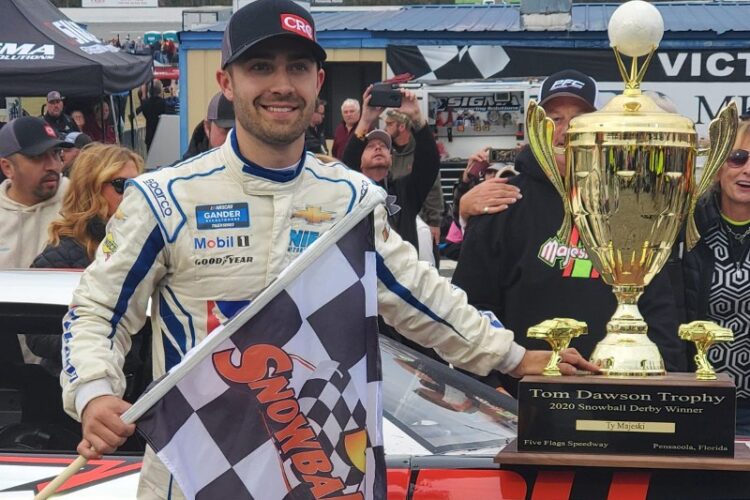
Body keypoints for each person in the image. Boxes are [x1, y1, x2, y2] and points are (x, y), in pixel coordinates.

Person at [60, 3, 596, 498]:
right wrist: (94, 392)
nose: (281, 85)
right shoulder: (165, 196)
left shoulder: (353, 198)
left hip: (314, 473)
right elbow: (97, 310)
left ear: (318, 82)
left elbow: (423, 298)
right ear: (227, 82)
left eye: (297, 68)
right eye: (261, 67)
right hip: (197, 474)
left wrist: (515, 357)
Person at [453, 69, 685, 395]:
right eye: (554, 119)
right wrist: (487, 387)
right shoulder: (502, 202)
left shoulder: (631, 204)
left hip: (620, 401)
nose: (564, 132)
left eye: (578, 119)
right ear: (537, 129)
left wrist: (660, 384)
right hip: (519, 405)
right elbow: (470, 307)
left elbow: (658, 308)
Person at [29, 144, 144, 376]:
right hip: (77, 391)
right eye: (122, 185)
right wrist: (97, 348)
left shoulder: (144, 244)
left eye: (139, 186)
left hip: (140, 389)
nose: (133, 195)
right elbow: (38, 336)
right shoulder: (62, 252)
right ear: (91, 189)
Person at [682, 120, 750, 436]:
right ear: (719, 163)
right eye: (738, 157)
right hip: (696, 399)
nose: (747, 170)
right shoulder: (685, 223)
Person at [342, 87, 439, 253]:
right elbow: (347, 162)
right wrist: (365, 120)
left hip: (401, 272)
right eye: (371, 146)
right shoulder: (355, 190)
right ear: (360, 158)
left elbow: (429, 162)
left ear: (391, 158)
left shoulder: (406, 191)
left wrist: (416, 117)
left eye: (383, 146)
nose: (378, 147)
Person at [0, 116, 72, 269]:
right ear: (7, 167)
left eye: (56, 153)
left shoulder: (80, 201)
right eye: (37, 157)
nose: (52, 165)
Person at [384, 109, 445, 246]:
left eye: (389, 124)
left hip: (420, 220)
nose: (385, 128)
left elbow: (433, 188)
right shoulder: (387, 151)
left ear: (401, 126)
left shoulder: (420, 152)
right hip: (393, 219)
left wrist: (434, 222)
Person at [181, 91, 235, 160]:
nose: (234, 138)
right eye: (227, 129)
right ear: (207, 127)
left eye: (243, 133)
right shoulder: (187, 170)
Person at [136, 80, 167, 151]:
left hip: (150, 136)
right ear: (160, 91)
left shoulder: (145, 105)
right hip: (161, 136)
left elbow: (142, 101)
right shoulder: (164, 104)